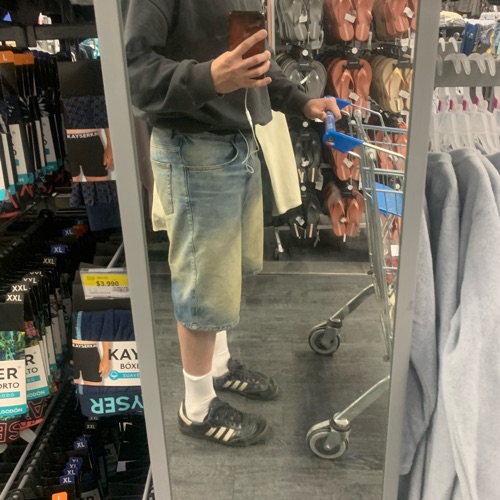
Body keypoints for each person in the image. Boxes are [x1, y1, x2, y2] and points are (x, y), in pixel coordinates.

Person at [124, 0, 341, 447]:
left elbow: (259, 64)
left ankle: (219, 367)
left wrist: (301, 101)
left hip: (237, 143)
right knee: (202, 284)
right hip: (192, 146)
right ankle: (197, 407)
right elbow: (136, 74)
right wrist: (209, 77)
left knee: (222, 277)